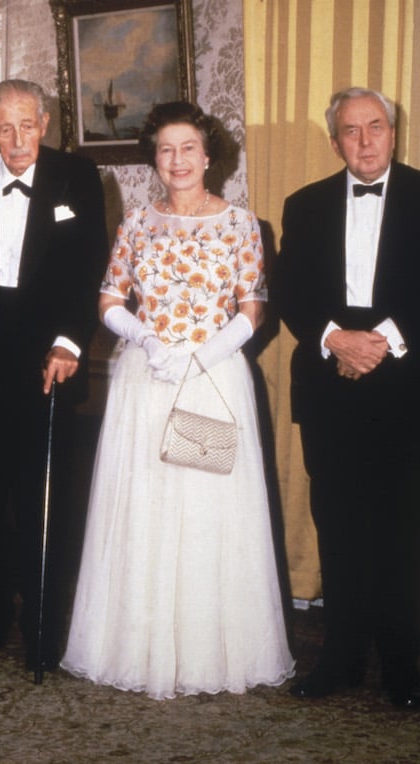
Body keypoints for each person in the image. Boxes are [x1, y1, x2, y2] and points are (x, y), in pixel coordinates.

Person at [61, 101, 294, 699]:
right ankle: (138, 647)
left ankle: (209, 652)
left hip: (212, 376)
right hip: (148, 379)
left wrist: (202, 354)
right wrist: (143, 337)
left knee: (208, 507)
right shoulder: (136, 223)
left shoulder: (242, 223)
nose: (178, 160)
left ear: (209, 155)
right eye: (166, 149)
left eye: (188, 147)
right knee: (145, 506)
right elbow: (109, 299)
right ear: (154, 160)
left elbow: (255, 307)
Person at [271, 88, 420, 707]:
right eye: (350, 132)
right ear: (335, 142)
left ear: (393, 132)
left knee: (403, 528)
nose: (365, 141)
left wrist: (377, 343)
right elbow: (291, 289)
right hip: (329, 387)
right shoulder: (304, 204)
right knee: (339, 527)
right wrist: (335, 339)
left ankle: (401, 664)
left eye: (375, 127)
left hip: (406, 385)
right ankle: (341, 657)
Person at [0, 80, 107, 670]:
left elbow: (89, 270)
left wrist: (67, 344)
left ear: (46, 123)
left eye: (27, 125)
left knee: (43, 501)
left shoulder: (78, 177)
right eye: (3, 127)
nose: (16, 139)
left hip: (46, 362)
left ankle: (40, 626)